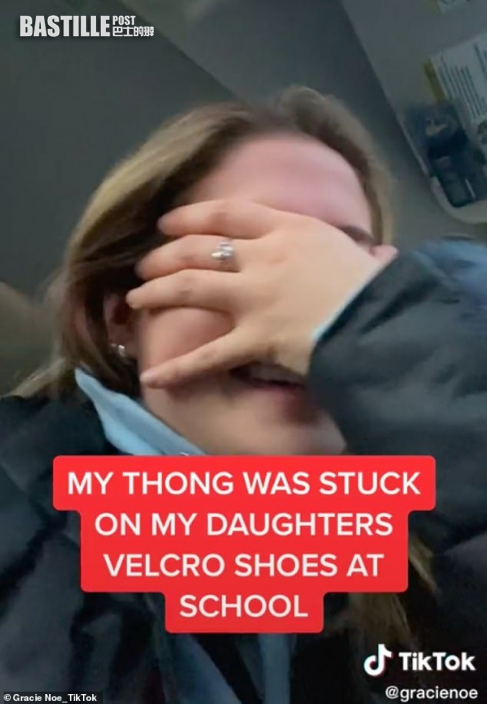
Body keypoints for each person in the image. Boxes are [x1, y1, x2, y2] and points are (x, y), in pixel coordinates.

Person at [0, 86, 485, 704]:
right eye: (234, 260)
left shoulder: (418, 563)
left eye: (337, 273)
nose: (298, 317)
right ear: (122, 316)